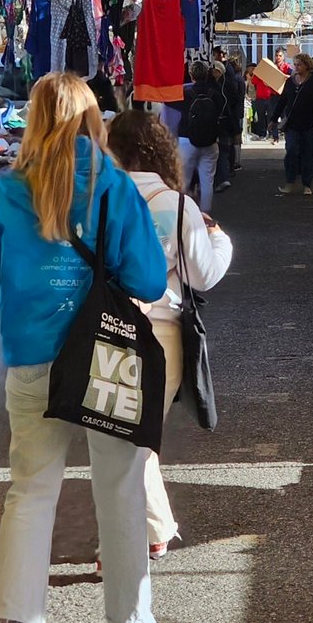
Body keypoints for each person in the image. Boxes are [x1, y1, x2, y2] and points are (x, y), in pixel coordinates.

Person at [0, 73, 169, 623]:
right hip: (105, 355)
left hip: (32, 359)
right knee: (120, 485)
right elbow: (148, 281)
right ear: (93, 120)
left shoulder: (6, 193)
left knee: (30, 491)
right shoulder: (113, 186)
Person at [105, 111, 233, 555]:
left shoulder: (91, 200)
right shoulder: (178, 206)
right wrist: (221, 240)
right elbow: (204, 276)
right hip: (160, 333)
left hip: (100, 328)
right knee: (134, 437)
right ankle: (136, 538)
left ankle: (143, 534)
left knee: (122, 437)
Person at [178, 61, 226, 213]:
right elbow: (222, 108)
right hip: (210, 140)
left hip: (186, 139)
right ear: (207, 74)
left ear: (191, 75)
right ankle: (205, 216)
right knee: (207, 181)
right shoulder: (215, 93)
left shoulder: (184, 93)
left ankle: (182, 215)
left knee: (183, 181)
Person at [275, 54, 313, 196]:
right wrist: (273, 119)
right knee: (291, 152)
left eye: (299, 64)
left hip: (310, 123)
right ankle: (290, 181)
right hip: (292, 124)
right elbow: (283, 100)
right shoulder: (290, 82)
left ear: (307, 66)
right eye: (295, 64)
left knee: (309, 153)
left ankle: (307, 184)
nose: (296, 67)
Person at [212, 48, 244, 192]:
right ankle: (225, 174)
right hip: (227, 120)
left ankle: (223, 175)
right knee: (225, 148)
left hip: (223, 121)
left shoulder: (222, 85)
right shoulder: (230, 82)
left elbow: (234, 101)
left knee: (223, 148)